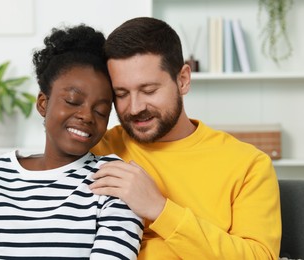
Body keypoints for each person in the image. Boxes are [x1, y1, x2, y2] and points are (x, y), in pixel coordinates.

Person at [0, 24, 143, 259]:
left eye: (102, 111)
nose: (87, 116)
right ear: (43, 103)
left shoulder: (112, 181)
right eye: (73, 101)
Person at [89, 17, 281, 259]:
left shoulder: (249, 165)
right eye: (122, 93)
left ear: (183, 80)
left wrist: (160, 210)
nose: (135, 107)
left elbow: (260, 256)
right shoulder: (96, 150)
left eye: (149, 90)